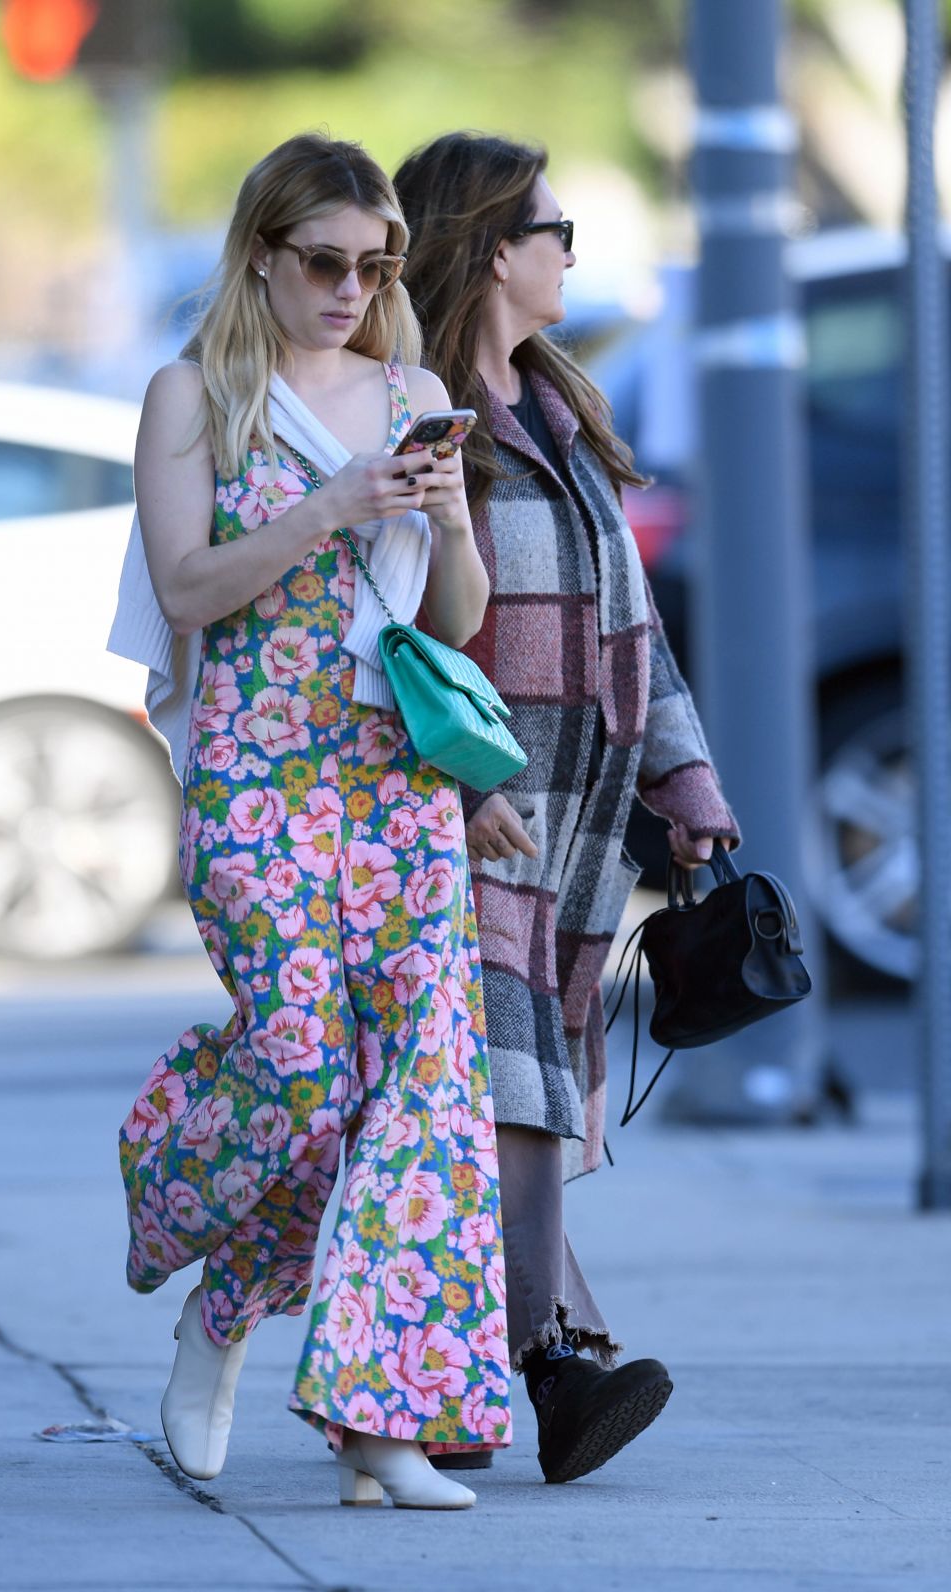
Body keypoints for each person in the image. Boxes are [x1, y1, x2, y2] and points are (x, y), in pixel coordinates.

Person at [109, 133, 513, 1511]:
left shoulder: (414, 391)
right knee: (297, 1064)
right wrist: (333, 504)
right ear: (264, 256)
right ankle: (217, 1292)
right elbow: (185, 589)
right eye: (328, 263)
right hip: (258, 776)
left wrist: (451, 525)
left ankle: (382, 1421)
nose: (355, 287)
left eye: (378, 264)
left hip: (393, 778)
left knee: (427, 1093)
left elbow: (454, 623)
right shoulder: (195, 393)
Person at [393, 132, 740, 1485]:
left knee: (504, 1101)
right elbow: (391, 626)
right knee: (514, 1091)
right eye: (555, 229)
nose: (568, 251)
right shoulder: (419, 416)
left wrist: (687, 778)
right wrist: (458, 785)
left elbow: (629, 620)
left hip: (581, 835)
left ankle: (466, 1375)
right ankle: (550, 1364)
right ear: (492, 248)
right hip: (471, 821)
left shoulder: (556, 402)